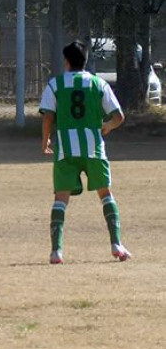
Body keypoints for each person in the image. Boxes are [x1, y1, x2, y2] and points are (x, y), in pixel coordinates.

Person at [39, 40, 130, 264]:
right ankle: (116, 244)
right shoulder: (99, 84)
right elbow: (118, 117)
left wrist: (45, 140)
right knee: (105, 195)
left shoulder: (55, 84)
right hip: (94, 149)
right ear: (85, 61)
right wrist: (107, 126)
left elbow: (48, 116)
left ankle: (56, 251)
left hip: (65, 151)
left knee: (61, 198)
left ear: (67, 61)